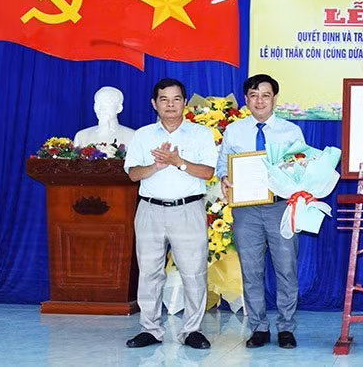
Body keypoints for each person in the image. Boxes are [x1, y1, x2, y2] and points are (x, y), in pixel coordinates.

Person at [123, 78, 217, 350]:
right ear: (154, 103)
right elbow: (132, 174)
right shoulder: (142, 135)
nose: (171, 105)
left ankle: (192, 330)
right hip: (150, 209)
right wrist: (156, 165)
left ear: (185, 103)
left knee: (194, 272)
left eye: (176, 99)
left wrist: (178, 162)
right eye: (164, 99)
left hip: (188, 209)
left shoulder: (201, 135)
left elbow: (208, 172)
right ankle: (150, 329)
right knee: (149, 272)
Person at [217, 74, 304, 349]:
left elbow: (302, 168)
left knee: (286, 269)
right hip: (246, 209)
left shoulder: (290, 132)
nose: (260, 100)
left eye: (265, 95)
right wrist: (224, 178)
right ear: (246, 99)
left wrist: (292, 171)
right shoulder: (235, 131)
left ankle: (286, 327)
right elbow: (222, 165)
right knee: (251, 270)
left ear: (274, 99)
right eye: (254, 95)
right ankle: (258, 327)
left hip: (281, 206)